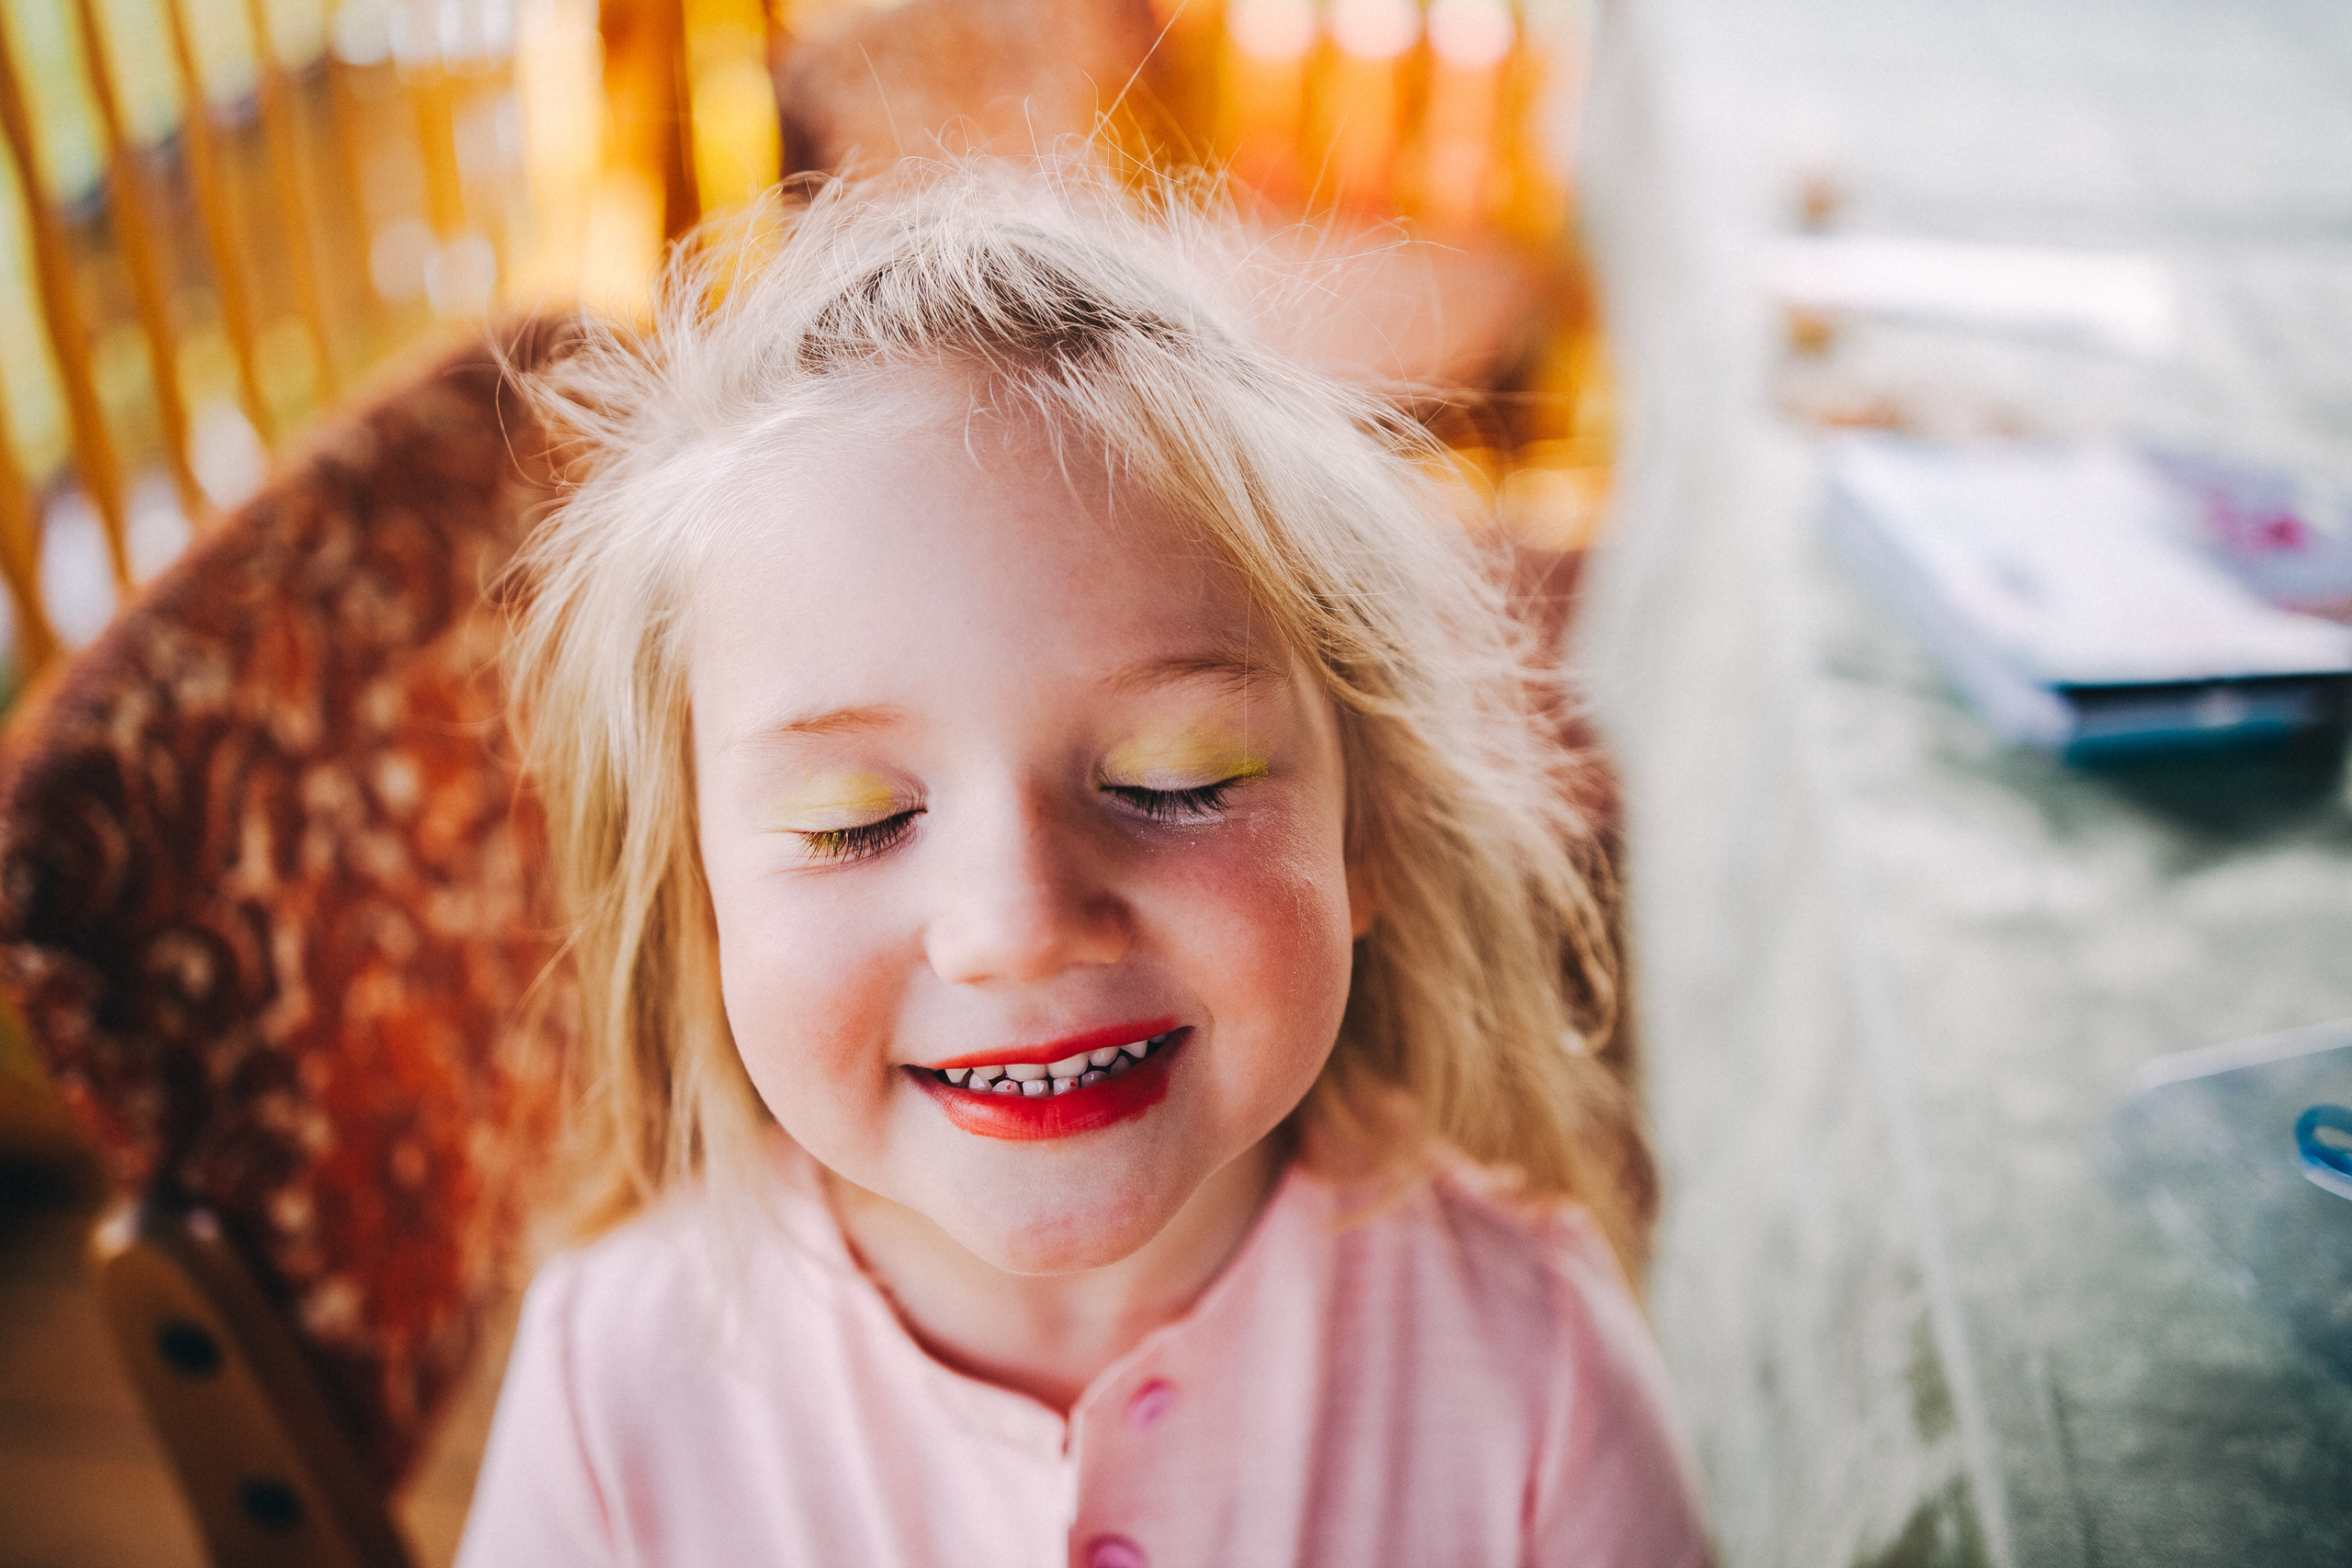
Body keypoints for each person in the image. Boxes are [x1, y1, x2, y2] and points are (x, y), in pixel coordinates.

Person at [457, 159, 1712, 1568]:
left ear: (1364, 835)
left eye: (1172, 781)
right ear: (698, 903)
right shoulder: (616, 1381)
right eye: (854, 820)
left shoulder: (1529, 1361)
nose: (1019, 923)